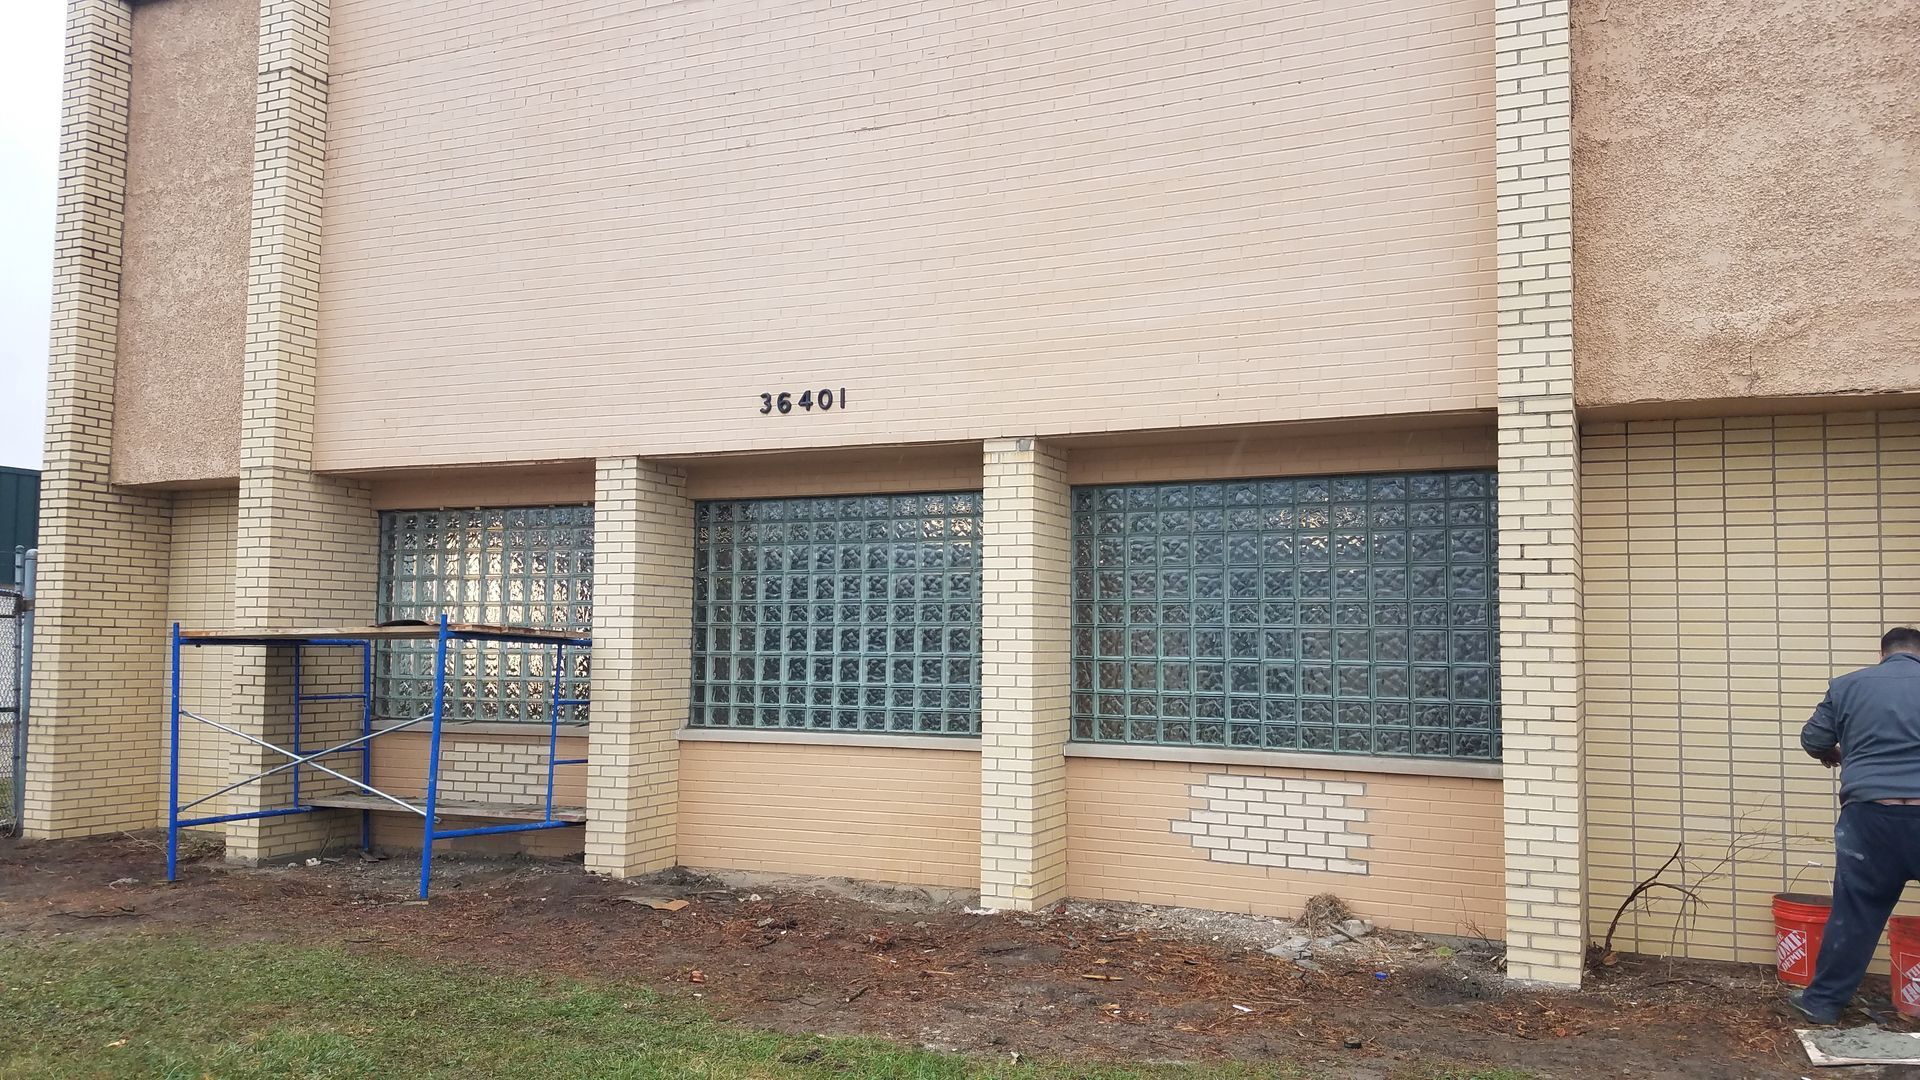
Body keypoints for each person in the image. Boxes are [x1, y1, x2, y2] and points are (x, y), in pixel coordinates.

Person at [1790, 626, 1920, 1025]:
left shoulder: (1848, 685)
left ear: (1882, 655)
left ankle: (1822, 1003)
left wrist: (1835, 754)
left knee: (1856, 912)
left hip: (1869, 819)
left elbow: (1813, 739)